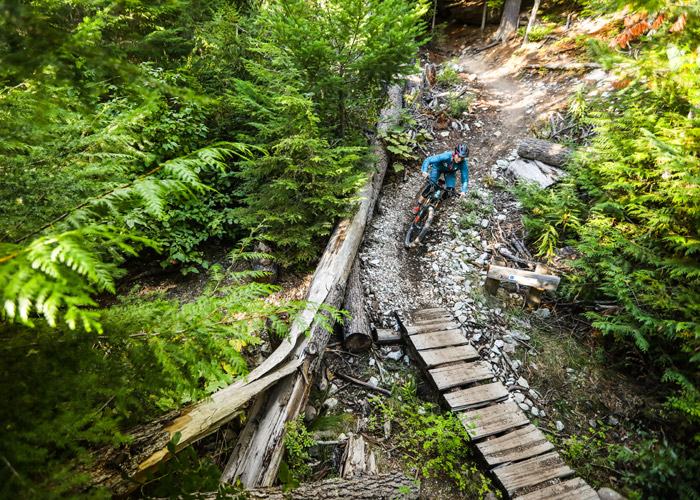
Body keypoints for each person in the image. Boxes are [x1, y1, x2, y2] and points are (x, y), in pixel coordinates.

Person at [413, 143, 469, 212]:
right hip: (437, 168)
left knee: (450, 191)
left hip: (450, 172)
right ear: (455, 153)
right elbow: (428, 160)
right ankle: (418, 205)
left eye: (462, 158)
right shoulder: (446, 156)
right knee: (430, 186)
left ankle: (440, 201)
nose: (460, 159)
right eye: (459, 156)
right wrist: (424, 171)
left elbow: (465, 178)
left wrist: (463, 191)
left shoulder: (463, 164)